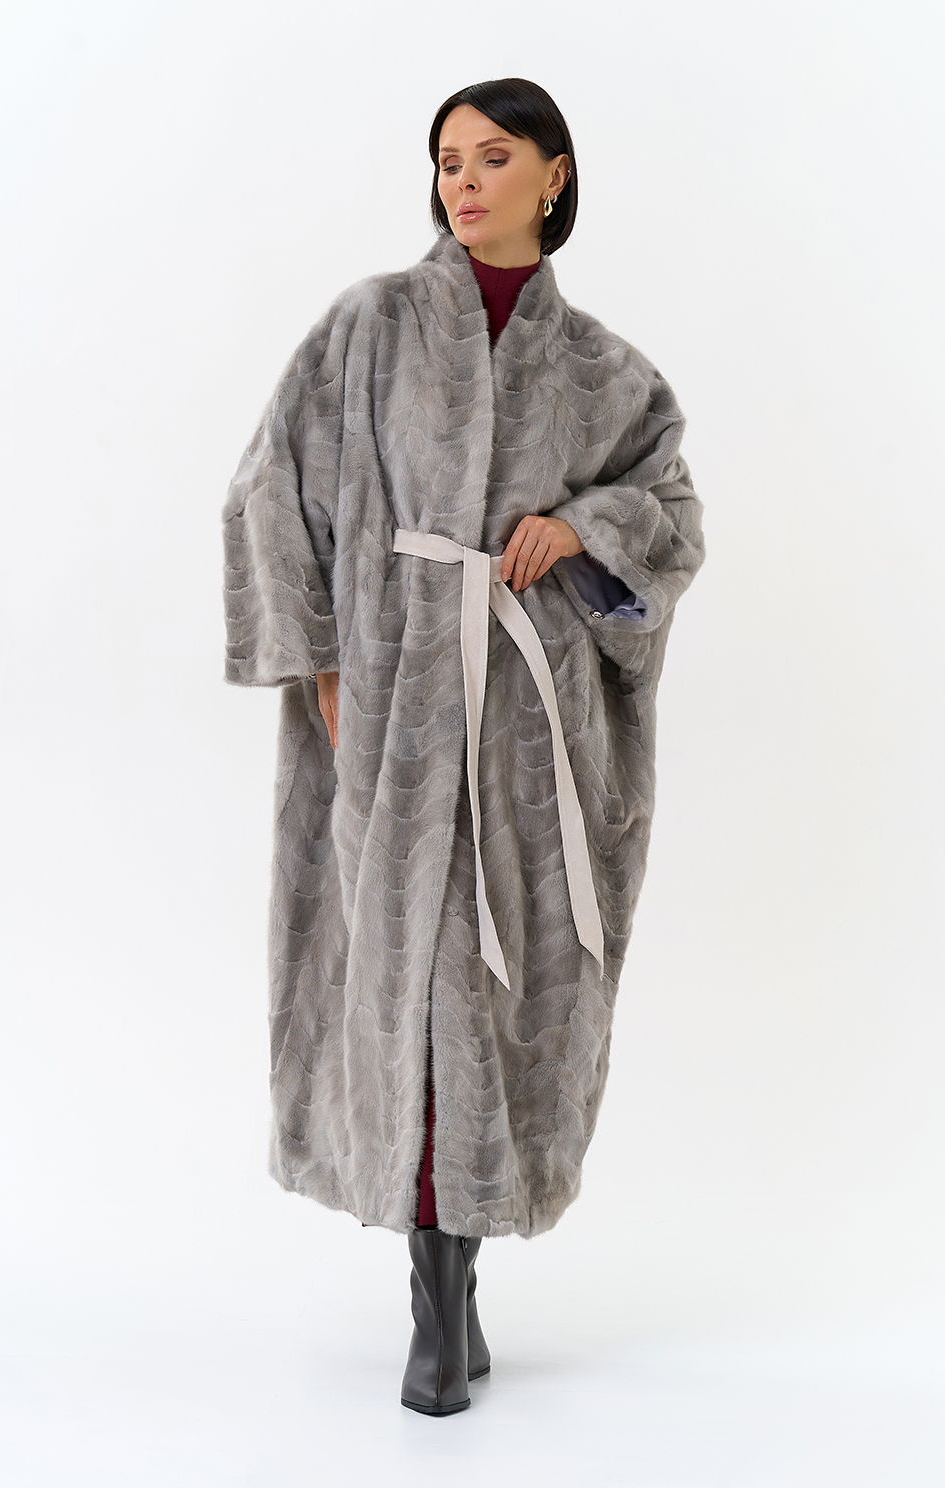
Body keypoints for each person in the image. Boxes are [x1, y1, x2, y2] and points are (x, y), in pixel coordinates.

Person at [222, 77, 705, 1416]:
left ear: (555, 175)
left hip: (530, 747)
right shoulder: (368, 326)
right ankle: (436, 1309)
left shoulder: (610, 372)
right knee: (404, 984)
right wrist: (327, 671)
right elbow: (269, 490)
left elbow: (671, 515)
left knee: (505, 994)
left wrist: (584, 530)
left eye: (495, 158)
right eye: (448, 161)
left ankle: (461, 1281)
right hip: (387, 721)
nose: (465, 183)